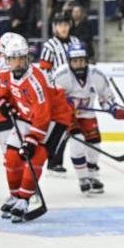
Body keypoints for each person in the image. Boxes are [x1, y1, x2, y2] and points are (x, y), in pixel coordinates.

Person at [0, 34, 72, 222]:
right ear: (7, 59)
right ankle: (14, 196)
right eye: (15, 58)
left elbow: (43, 114)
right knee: (12, 158)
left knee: (35, 156)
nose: (19, 63)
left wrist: (31, 141)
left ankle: (24, 199)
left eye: (23, 58)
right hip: (28, 115)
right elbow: (1, 95)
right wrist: (3, 104)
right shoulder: (6, 73)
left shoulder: (35, 80)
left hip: (55, 119)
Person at [54, 43, 124, 194]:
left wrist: (114, 110)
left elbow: (105, 98)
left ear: (87, 60)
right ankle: (83, 178)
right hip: (69, 116)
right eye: (75, 61)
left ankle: (93, 175)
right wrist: (62, 102)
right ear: (69, 61)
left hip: (88, 115)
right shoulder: (61, 76)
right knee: (78, 142)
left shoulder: (97, 75)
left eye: (82, 60)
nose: (79, 64)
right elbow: (52, 99)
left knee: (95, 145)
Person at [40, 12, 81, 175]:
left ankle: (80, 161)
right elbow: (44, 71)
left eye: (66, 24)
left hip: (75, 92)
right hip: (58, 94)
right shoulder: (49, 46)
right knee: (60, 128)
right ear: (54, 27)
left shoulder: (76, 42)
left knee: (73, 128)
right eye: (60, 25)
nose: (63, 28)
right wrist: (55, 89)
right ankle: (53, 161)